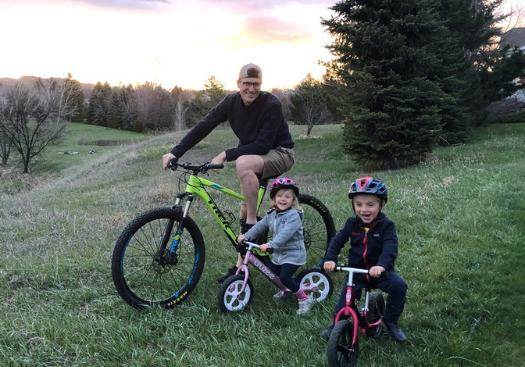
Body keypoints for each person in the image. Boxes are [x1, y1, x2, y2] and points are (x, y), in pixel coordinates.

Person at [162, 63, 295, 283]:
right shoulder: (231, 102)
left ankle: (252, 224)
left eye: (256, 84)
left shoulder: (271, 103)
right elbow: (204, 125)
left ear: (261, 85)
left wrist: (225, 154)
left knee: (242, 164)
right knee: (243, 207)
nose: (251, 89)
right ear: (238, 84)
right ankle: (240, 269)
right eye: (246, 84)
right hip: (253, 157)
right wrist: (175, 152)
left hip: (279, 152)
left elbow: (263, 145)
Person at [320, 177, 408, 342]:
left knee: (400, 287)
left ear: (382, 205)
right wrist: (330, 258)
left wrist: (382, 266)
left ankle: (390, 320)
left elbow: (390, 247)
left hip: (380, 273)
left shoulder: (386, 226)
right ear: (353, 205)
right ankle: (337, 324)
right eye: (358, 204)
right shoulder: (352, 224)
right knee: (345, 303)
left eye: (370, 204)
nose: (364, 210)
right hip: (357, 273)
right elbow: (337, 241)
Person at [237, 178, 313, 314]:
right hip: (279, 254)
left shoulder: (293, 216)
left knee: (284, 277)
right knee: (273, 273)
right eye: (279, 196)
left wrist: (270, 244)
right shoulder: (271, 214)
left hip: (293, 253)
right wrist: (246, 236)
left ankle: (303, 298)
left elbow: (285, 235)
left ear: (293, 199)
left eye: (287, 196)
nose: (283, 199)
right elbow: (259, 226)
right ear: (274, 198)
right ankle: (287, 289)